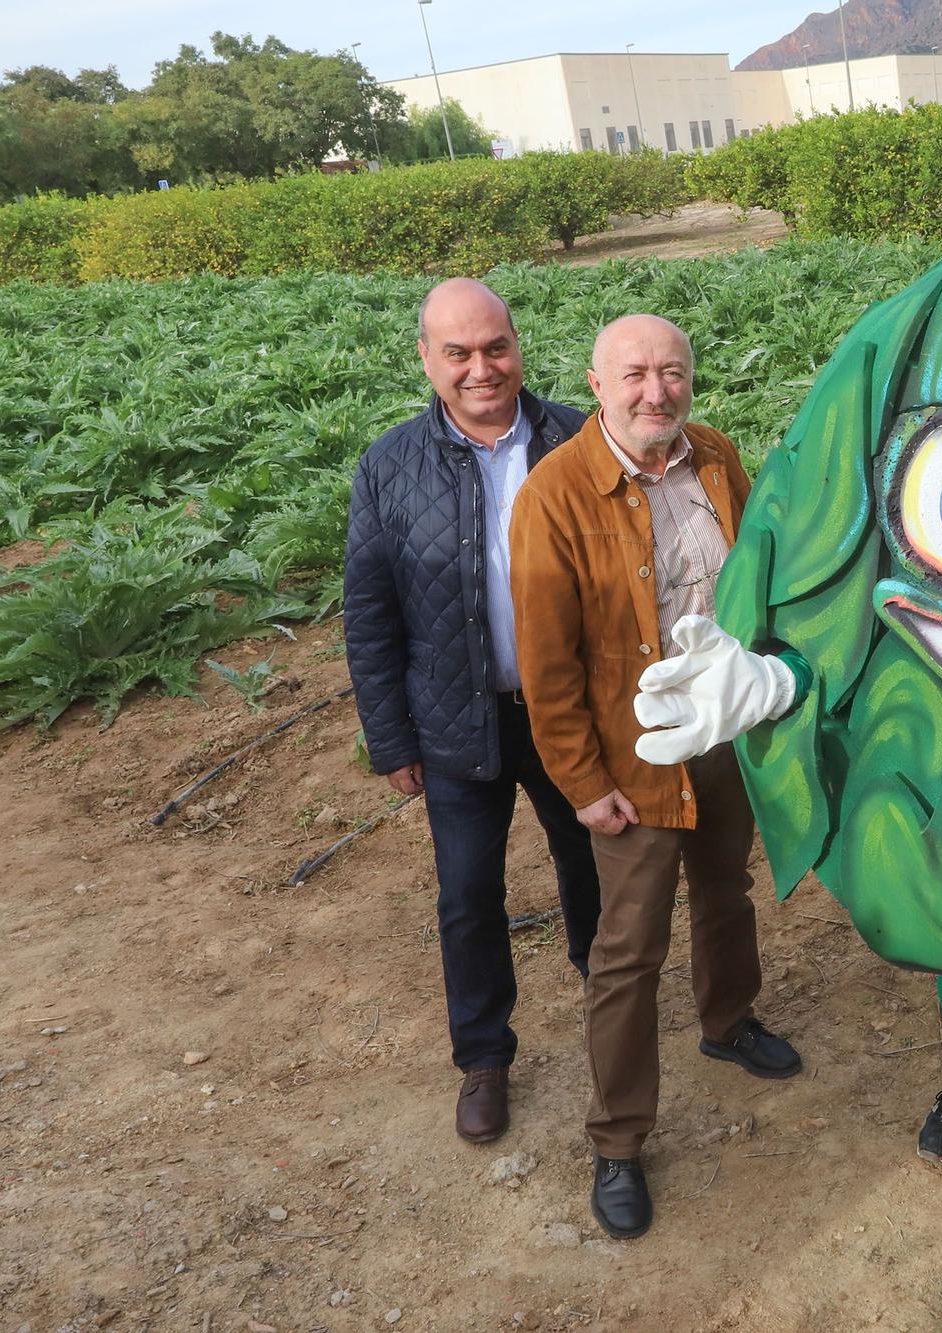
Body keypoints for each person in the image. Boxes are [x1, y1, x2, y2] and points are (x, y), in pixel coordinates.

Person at [510, 313, 802, 1241]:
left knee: (727, 887)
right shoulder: (555, 493)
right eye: (634, 374)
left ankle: (729, 1017)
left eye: (672, 372)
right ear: (595, 384)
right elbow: (545, 666)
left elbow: (755, 578)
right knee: (628, 948)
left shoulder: (714, 456)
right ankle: (620, 1139)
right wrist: (581, 780)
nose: (656, 392)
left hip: (723, 733)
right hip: (632, 759)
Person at [343, 278, 603, 1144]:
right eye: (458, 353)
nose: (481, 368)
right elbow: (371, 613)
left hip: (573, 713)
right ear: (427, 359)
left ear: (519, 346)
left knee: (592, 871)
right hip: (456, 717)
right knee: (467, 894)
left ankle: (610, 1015)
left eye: (495, 347)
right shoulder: (390, 465)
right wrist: (390, 737)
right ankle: (484, 1057)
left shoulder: (582, 436)